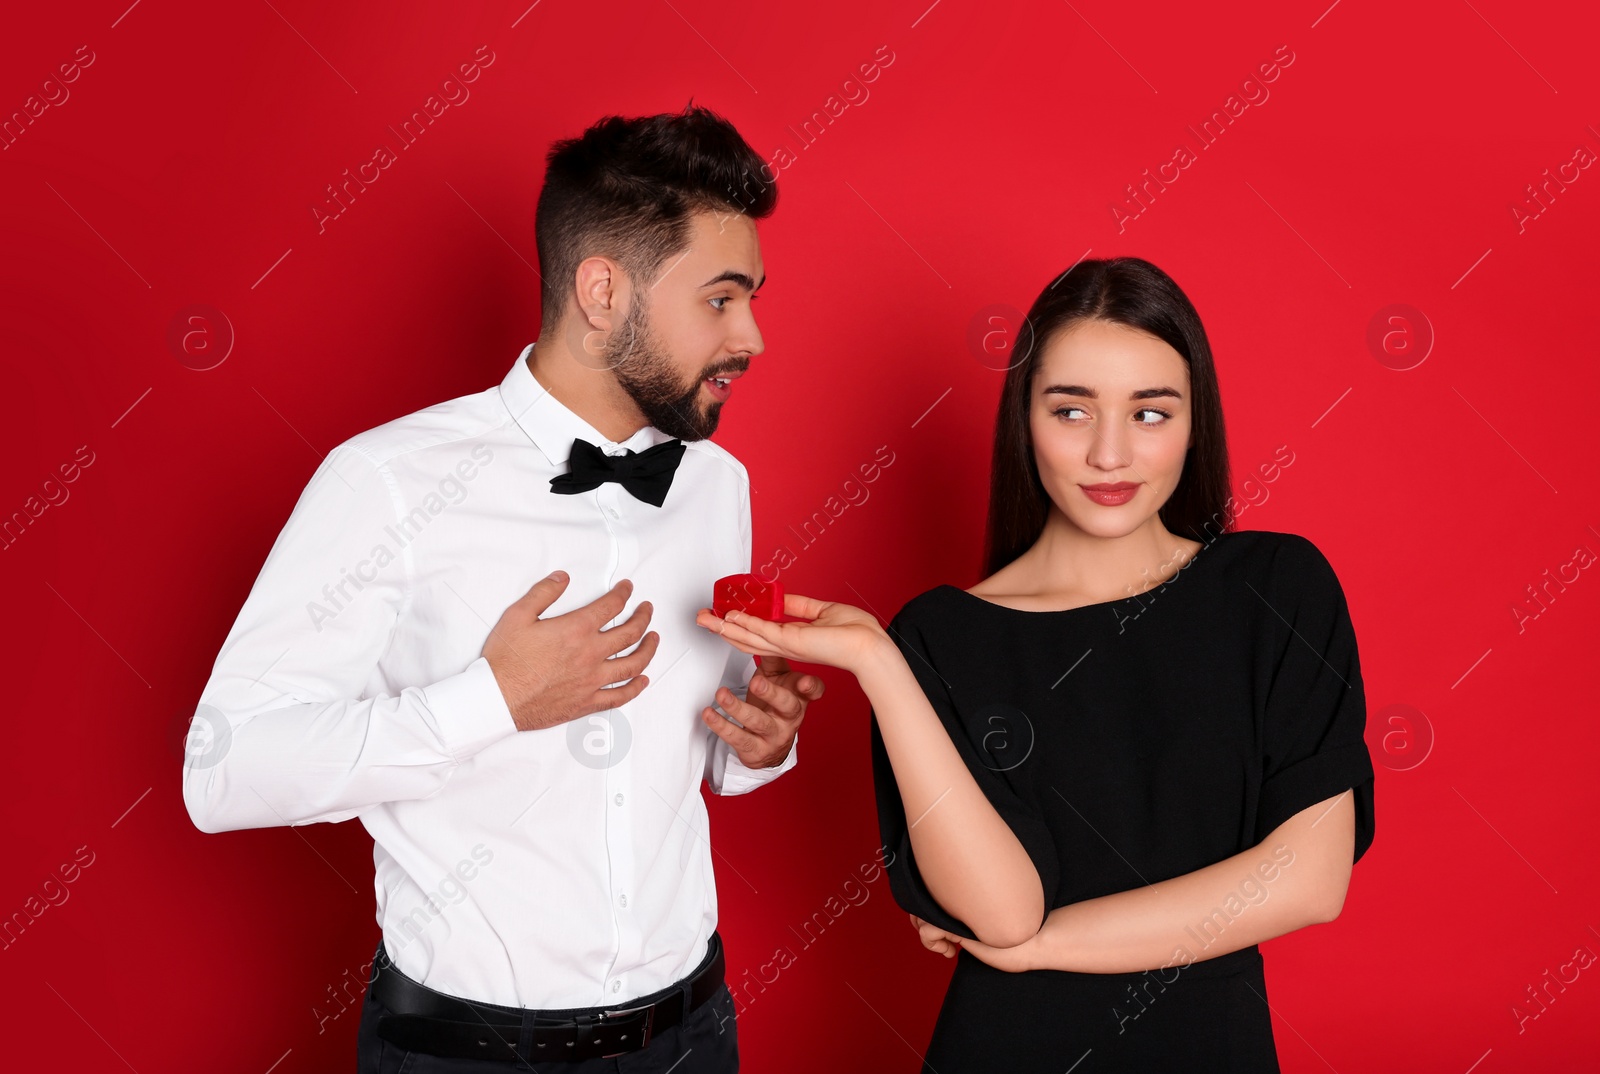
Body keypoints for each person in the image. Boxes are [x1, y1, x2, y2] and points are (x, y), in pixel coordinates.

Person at [183, 105, 825, 1074]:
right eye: (722, 300)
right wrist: (489, 701)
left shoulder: (714, 483)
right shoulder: (384, 483)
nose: (754, 338)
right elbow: (220, 772)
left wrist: (758, 743)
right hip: (465, 1053)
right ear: (601, 292)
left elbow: (698, 760)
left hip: (691, 1036)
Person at [696, 257, 1375, 1071]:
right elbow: (1004, 912)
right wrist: (879, 661)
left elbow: (1309, 877)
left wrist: (1042, 947)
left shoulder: (1275, 588)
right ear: (1024, 418)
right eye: (1071, 411)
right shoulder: (941, 636)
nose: (1110, 454)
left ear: (1197, 423)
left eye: (1151, 413)